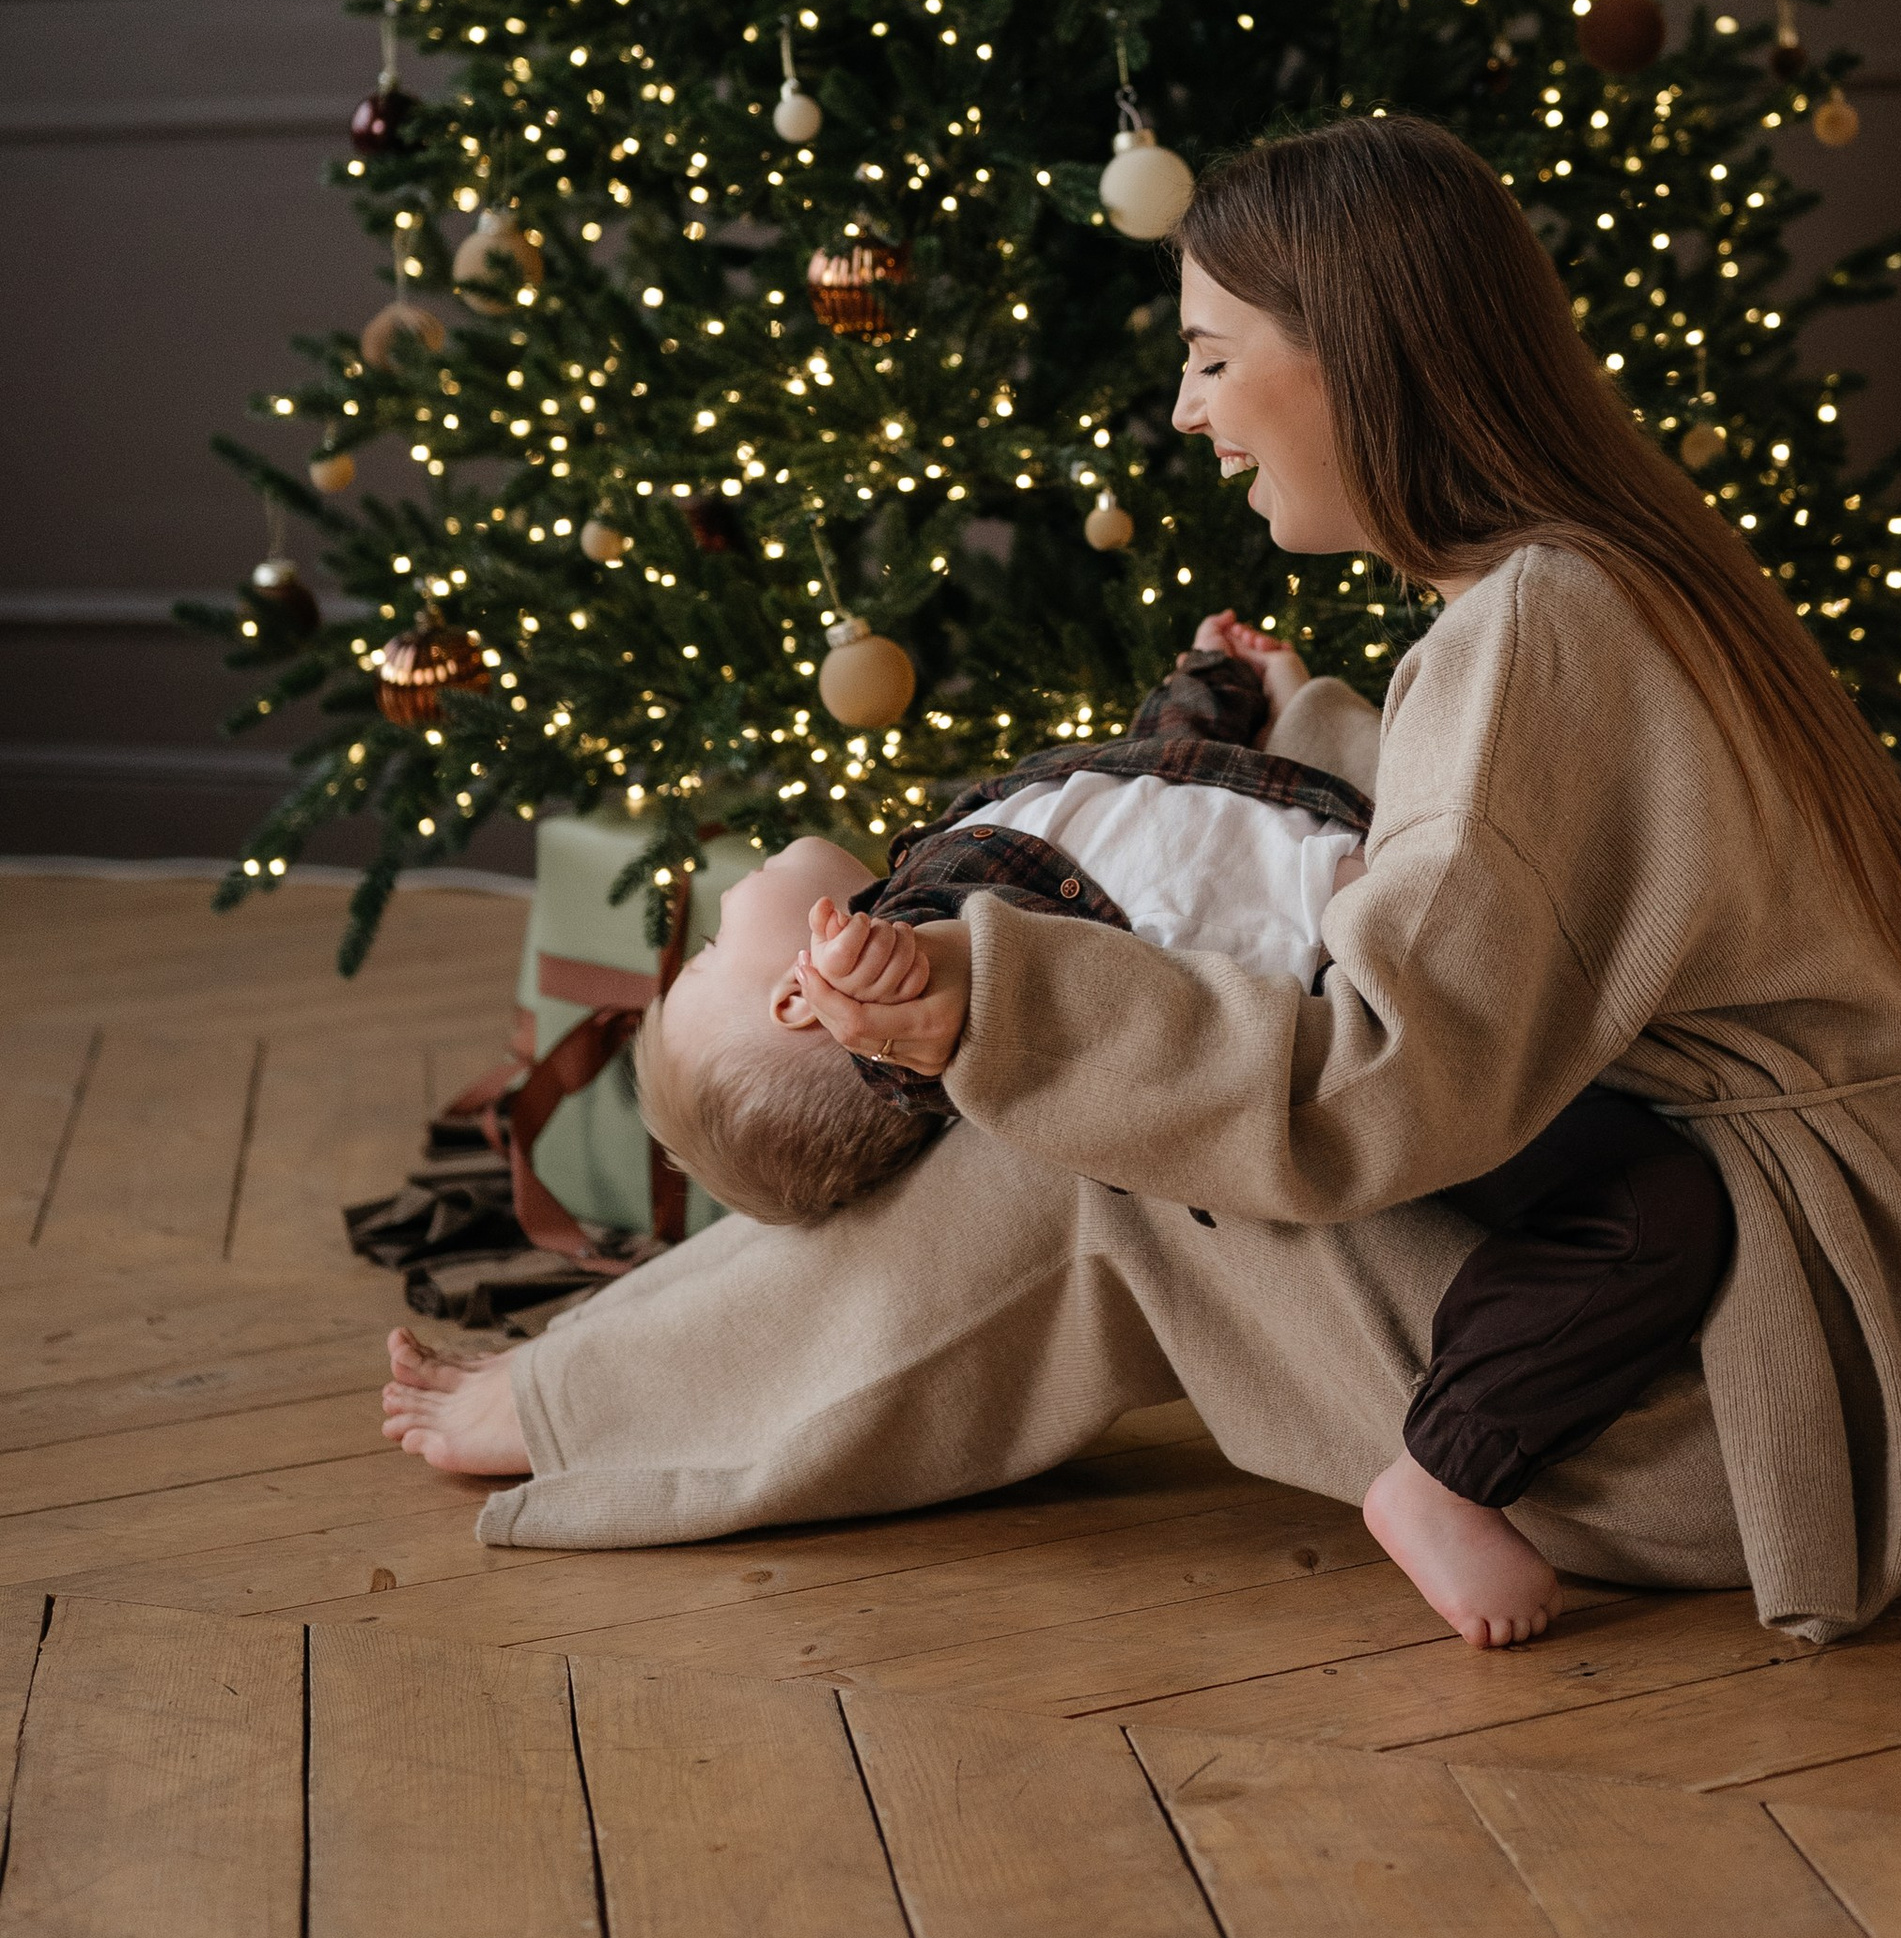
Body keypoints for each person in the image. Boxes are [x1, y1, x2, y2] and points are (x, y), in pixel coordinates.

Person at [386, 114, 1901, 1655]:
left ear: (1358, 362)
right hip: (1888, 1320)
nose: (1188, 410)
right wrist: (1307, 724)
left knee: (1075, 1134)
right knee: (1092, 1069)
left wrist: (996, 1001)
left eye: (1211, 354)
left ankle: (582, 1403)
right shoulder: (1600, 575)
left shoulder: (1533, 629)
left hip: (1749, 1410)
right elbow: (1544, 881)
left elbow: (1377, 1091)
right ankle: (600, 1372)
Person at [616, 615, 1736, 1645]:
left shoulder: (965, 833)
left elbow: (1156, 783)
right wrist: (886, 998)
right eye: (710, 960)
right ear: (798, 1001)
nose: (713, 914)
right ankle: (1444, 1475)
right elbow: (953, 1032)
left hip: (1431, 911)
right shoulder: (930, 944)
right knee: (1652, 1210)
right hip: (1395, 1040)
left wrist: (1227, 681)